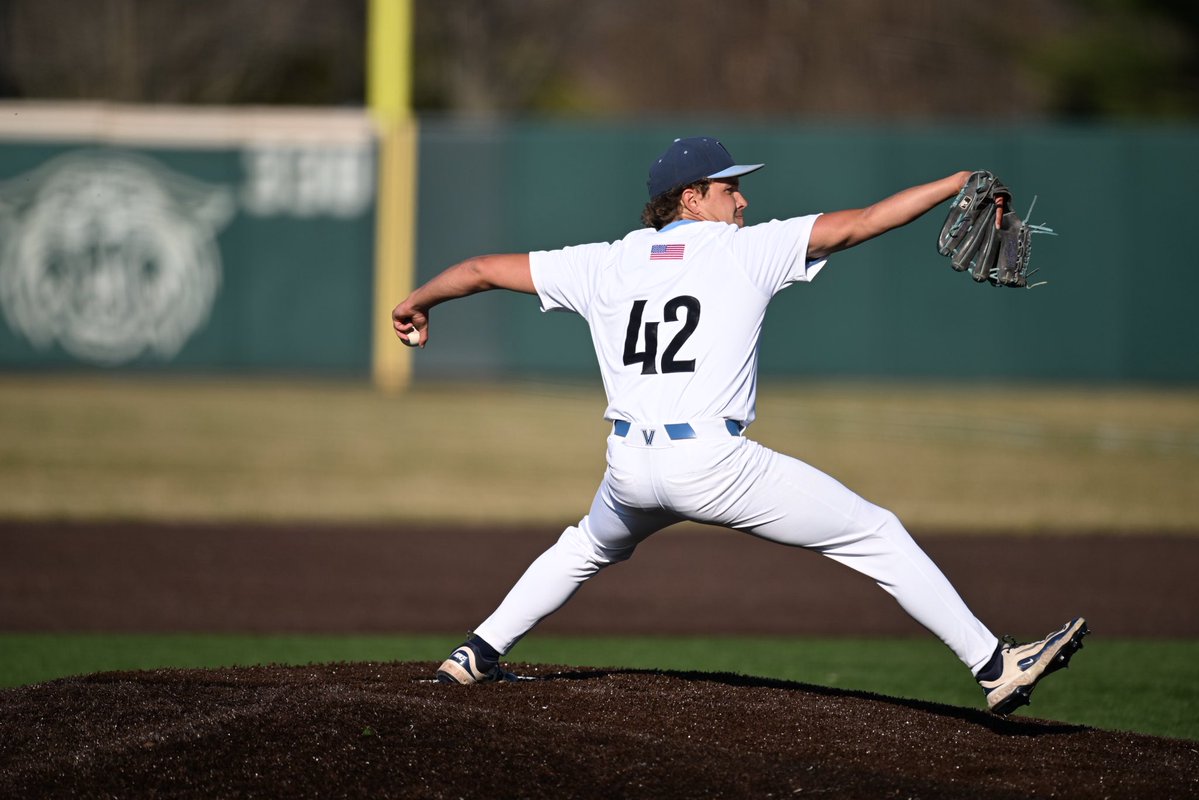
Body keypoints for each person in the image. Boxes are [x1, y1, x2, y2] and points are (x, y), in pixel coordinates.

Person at [391, 136, 1087, 715]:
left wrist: (416, 303)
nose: (743, 199)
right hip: (713, 465)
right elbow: (864, 220)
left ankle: (473, 656)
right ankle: (995, 664)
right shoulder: (743, 251)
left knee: (584, 547)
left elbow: (481, 269)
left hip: (630, 466)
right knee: (871, 531)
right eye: (729, 188)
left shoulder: (605, 260)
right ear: (690, 198)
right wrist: (956, 181)